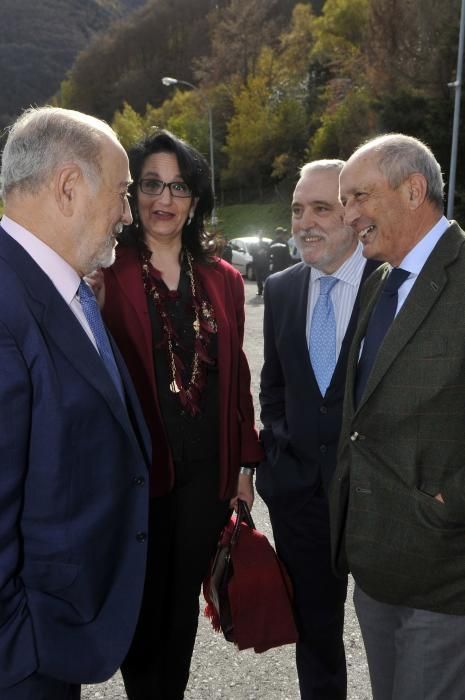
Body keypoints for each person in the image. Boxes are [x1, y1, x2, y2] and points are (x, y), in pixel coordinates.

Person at [101, 128, 263, 700]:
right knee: (143, 614)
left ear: (195, 200)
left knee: (181, 617)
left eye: (178, 186)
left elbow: (238, 378)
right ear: (132, 192)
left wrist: (246, 467)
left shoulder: (223, 279)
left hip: (205, 481)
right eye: (151, 184)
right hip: (137, 481)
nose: (163, 200)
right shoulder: (104, 273)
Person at [0, 106, 151, 699]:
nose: (126, 214)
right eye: (121, 193)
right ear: (68, 187)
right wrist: (21, 655)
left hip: (56, 638)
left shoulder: (56, 286)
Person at [331, 133, 465, 700]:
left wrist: (448, 504)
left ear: (414, 191)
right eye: (344, 201)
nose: (349, 214)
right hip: (375, 564)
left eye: (360, 196)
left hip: (443, 570)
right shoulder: (382, 281)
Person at [257, 160, 378, 699]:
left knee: (393, 636)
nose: (304, 222)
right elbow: (274, 385)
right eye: (297, 210)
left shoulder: (392, 285)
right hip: (300, 498)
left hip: (377, 498)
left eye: (321, 208)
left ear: (354, 214)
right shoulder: (281, 288)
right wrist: (279, 454)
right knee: (316, 637)